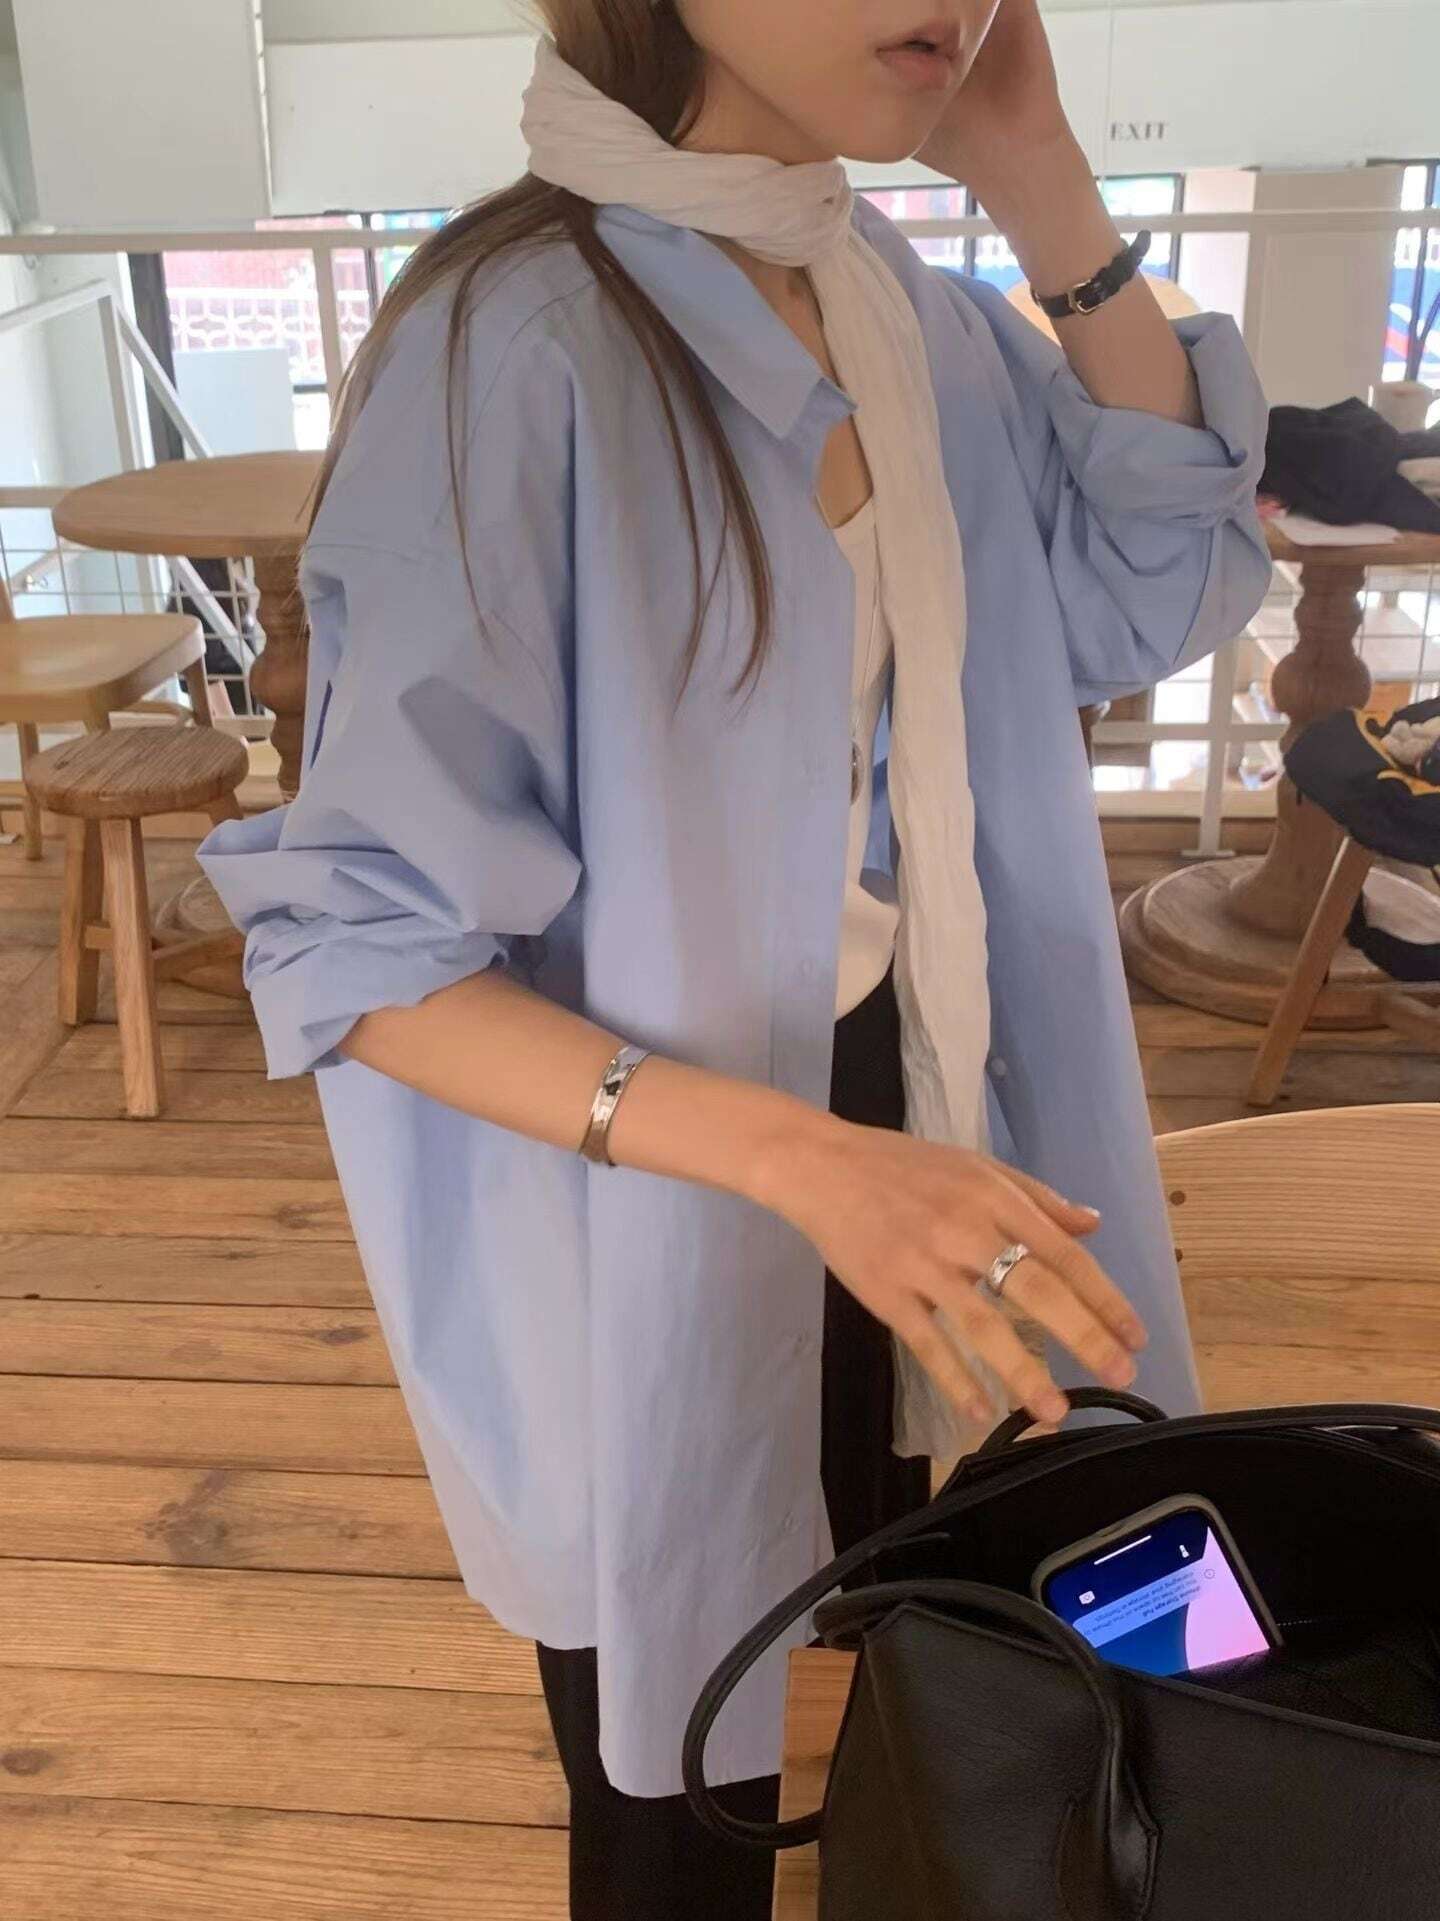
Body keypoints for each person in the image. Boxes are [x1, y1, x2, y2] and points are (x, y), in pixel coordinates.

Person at [200, 2, 1270, 1913]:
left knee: (1010, 1657)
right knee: (682, 1775)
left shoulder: (909, 317)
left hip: (937, 1098)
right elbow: (362, 945)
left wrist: (1036, 170)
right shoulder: (518, 350)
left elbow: (1157, 581)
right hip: (652, 1170)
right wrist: (805, 1161)